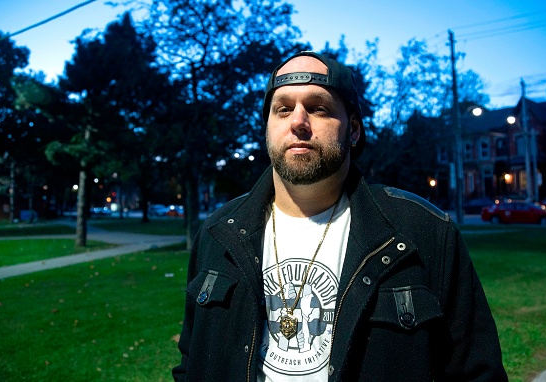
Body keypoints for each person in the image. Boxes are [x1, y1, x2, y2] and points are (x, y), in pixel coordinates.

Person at [172, 51, 508, 381]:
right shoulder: (218, 233)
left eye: (318, 109)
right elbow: (192, 361)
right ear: (268, 129)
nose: (298, 122)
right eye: (283, 109)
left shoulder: (423, 235)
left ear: (354, 130)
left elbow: (477, 372)